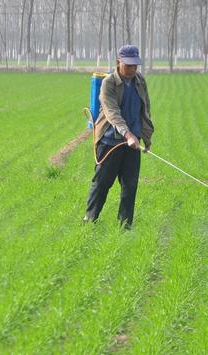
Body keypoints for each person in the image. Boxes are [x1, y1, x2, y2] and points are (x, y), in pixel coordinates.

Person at [83, 45, 155, 230]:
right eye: (128, 65)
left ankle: (125, 226)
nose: (132, 69)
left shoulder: (140, 80)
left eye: (135, 65)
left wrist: (146, 137)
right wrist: (127, 134)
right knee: (102, 183)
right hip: (110, 141)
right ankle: (90, 220)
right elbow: (112, 112)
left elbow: (144, 109)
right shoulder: (109, 83)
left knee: (130, 186)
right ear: (118, 62)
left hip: (132, 143)